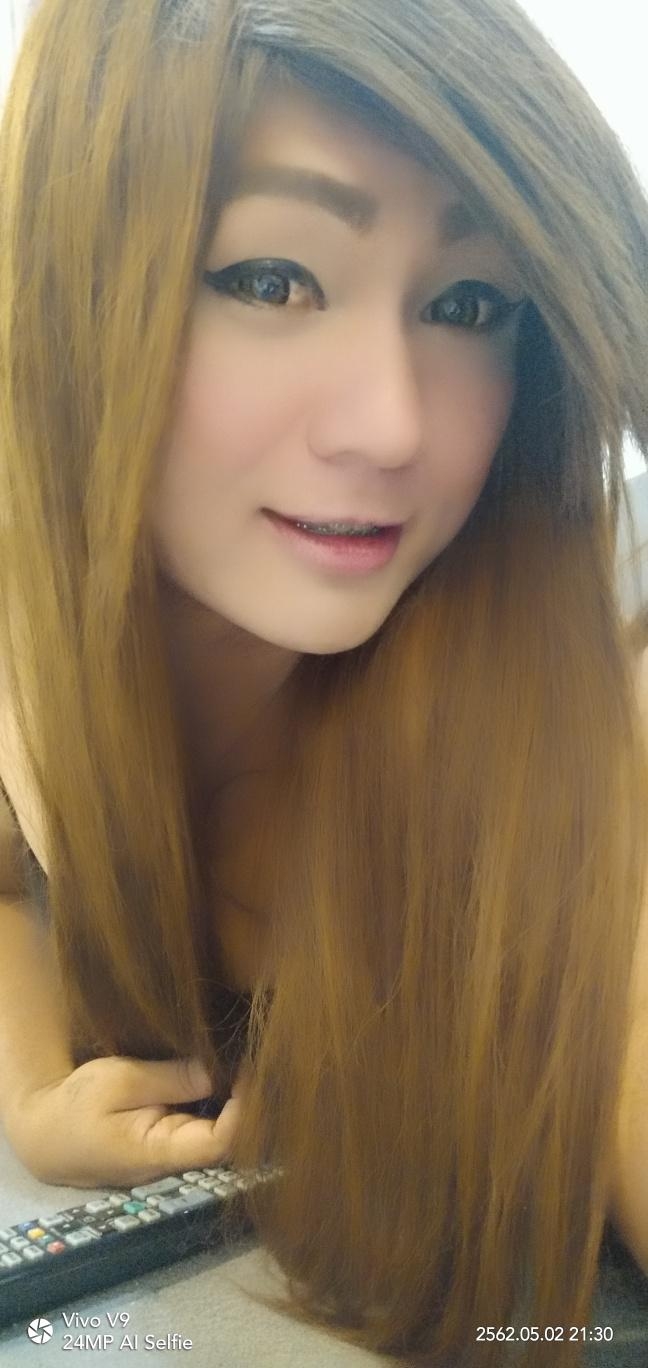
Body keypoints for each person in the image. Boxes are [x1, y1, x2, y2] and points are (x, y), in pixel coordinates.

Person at [0, 0, 647, 1362]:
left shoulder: (574, 715)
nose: (391, 425)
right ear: (70, 287)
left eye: (469, 305)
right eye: (271, 279)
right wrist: (32, 1079)